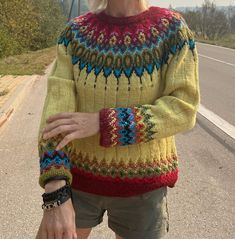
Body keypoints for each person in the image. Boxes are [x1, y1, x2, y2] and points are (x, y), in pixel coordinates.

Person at [36, 0, 200, 238]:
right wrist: (55, 191)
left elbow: (183, 109)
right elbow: (55, 117)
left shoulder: (173, 30)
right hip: (76, 182)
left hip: (143, 188)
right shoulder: (75, 34)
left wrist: (105, 123)